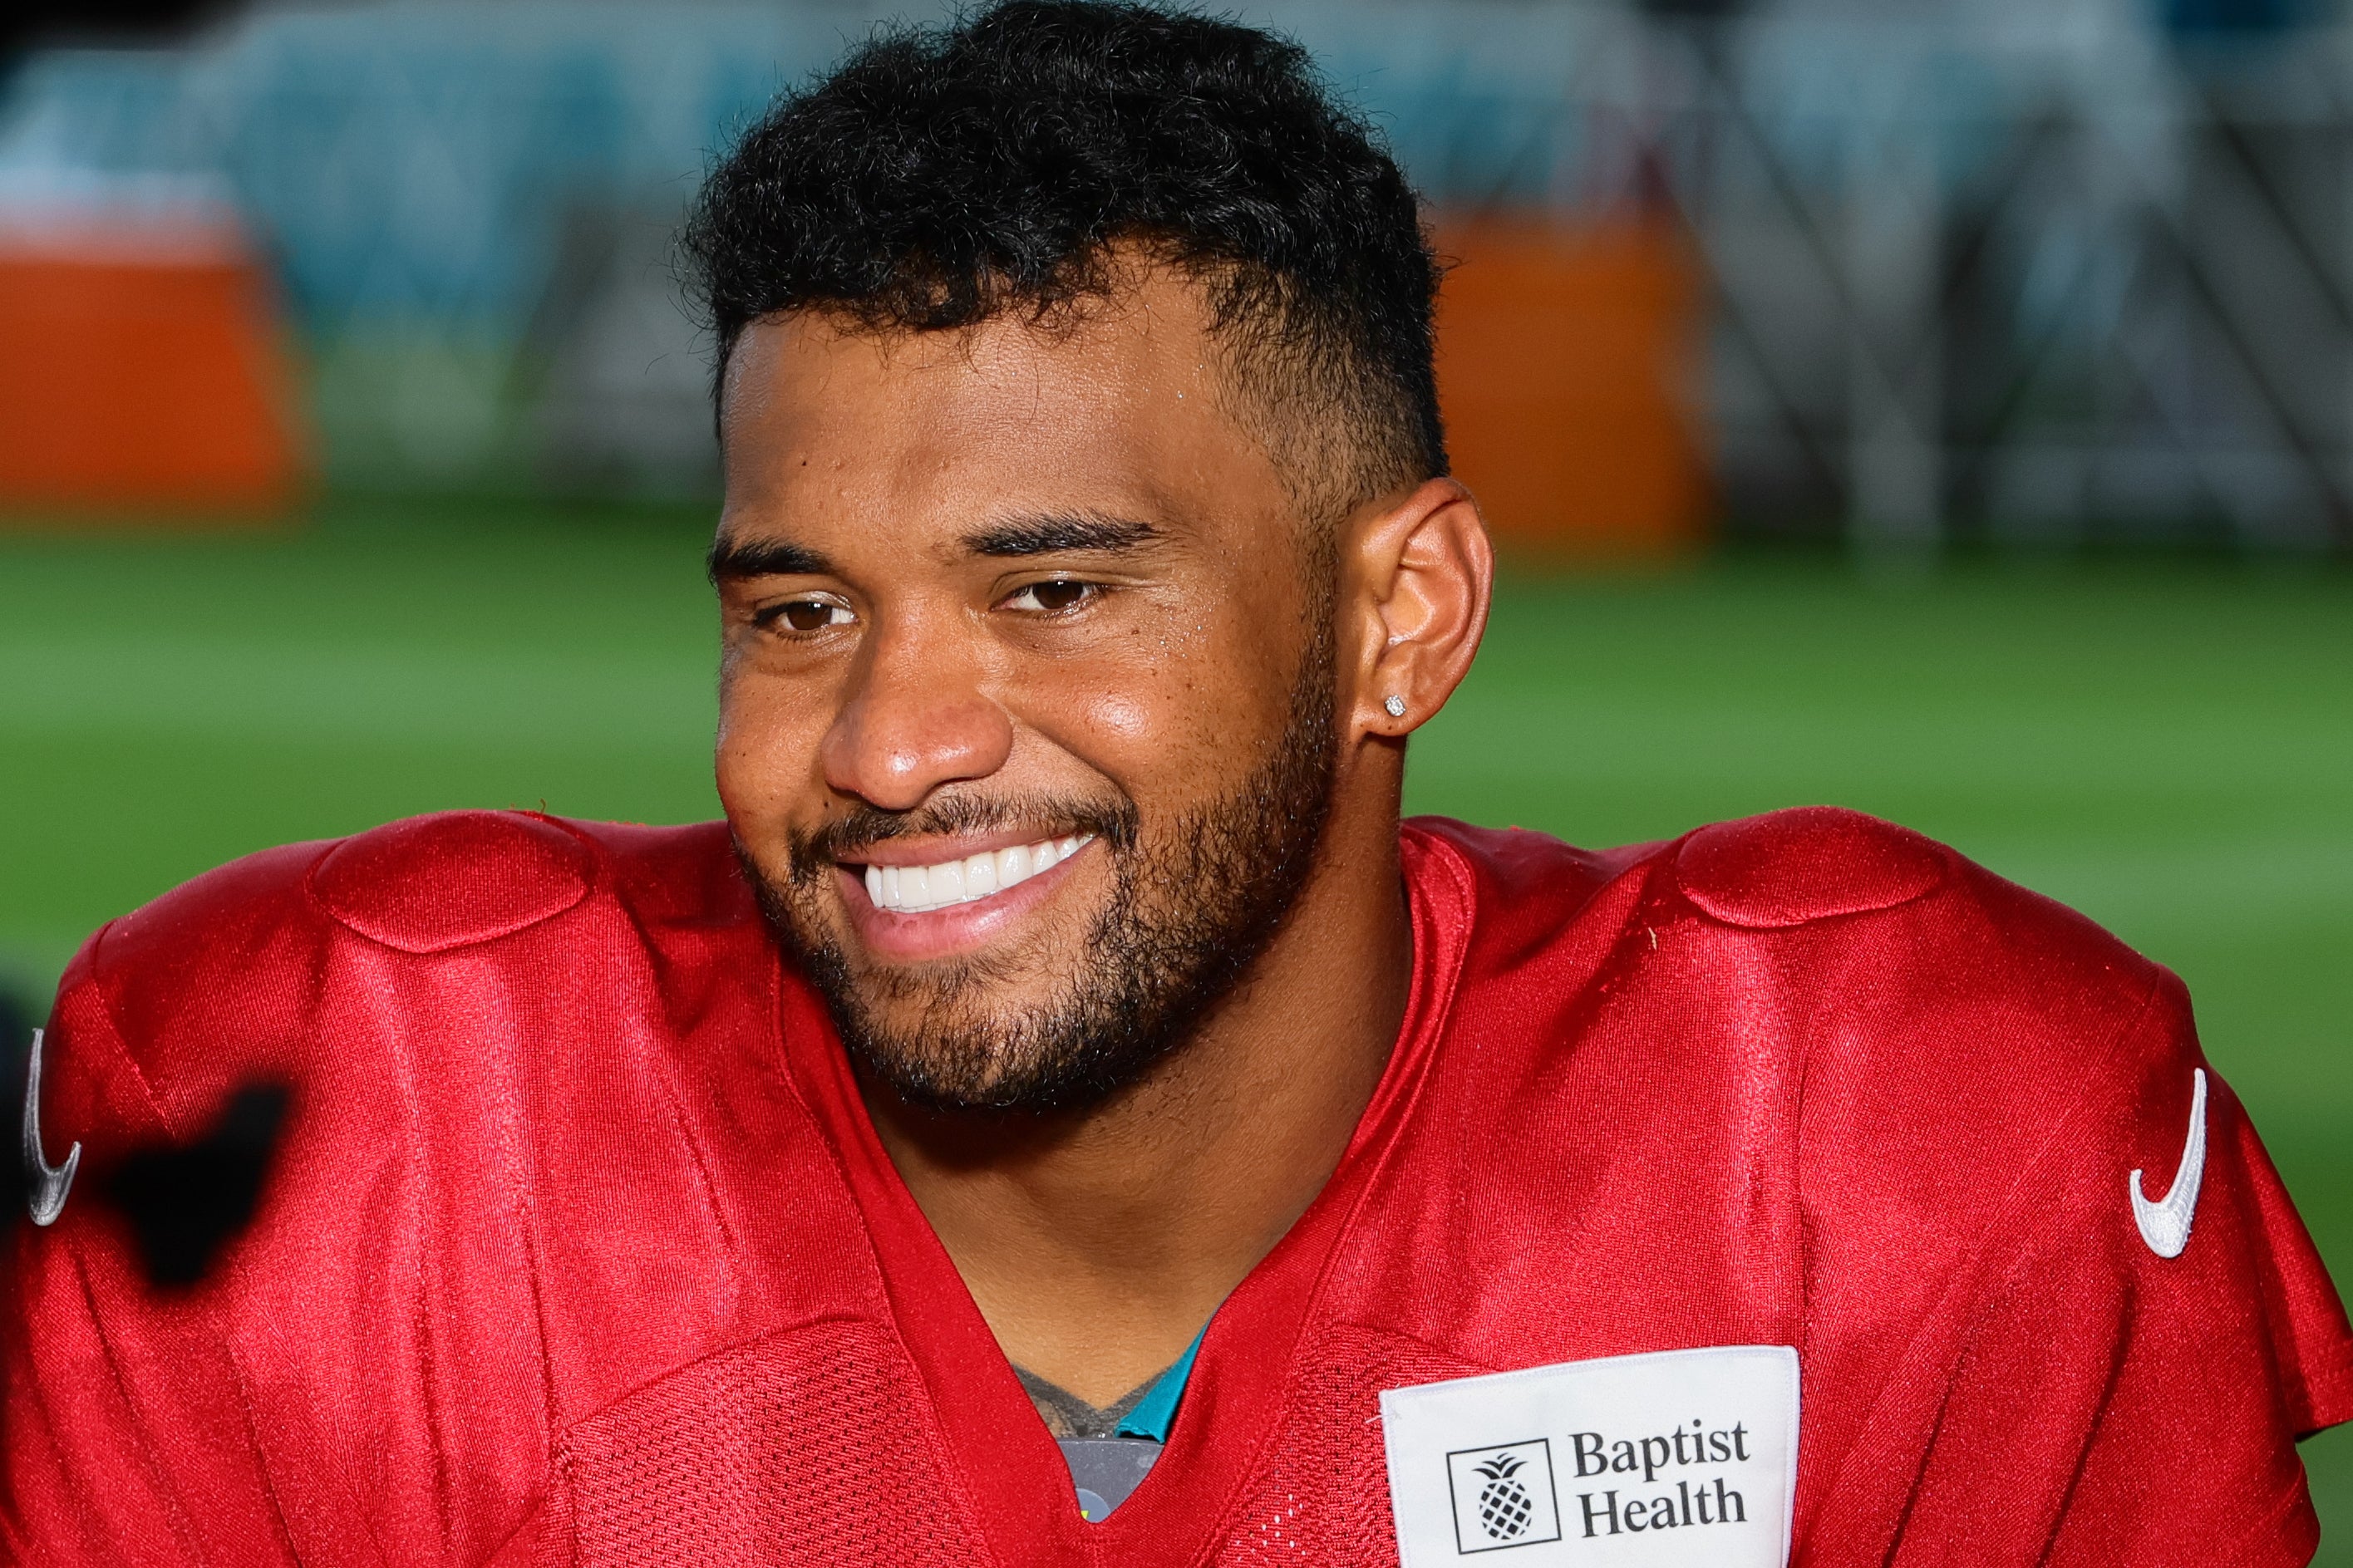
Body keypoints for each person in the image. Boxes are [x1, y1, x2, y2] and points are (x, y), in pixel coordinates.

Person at [7, 3, 2349, 1563]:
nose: (890, 743)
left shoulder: (1897, 1139)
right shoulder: (355, 1124)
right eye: (798, 609)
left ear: (1403, 619)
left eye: (1058, 594)